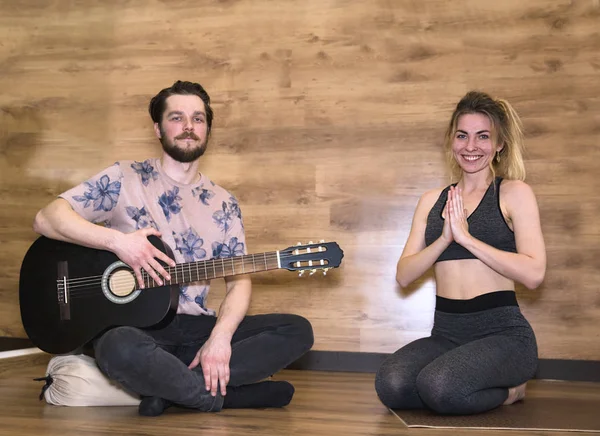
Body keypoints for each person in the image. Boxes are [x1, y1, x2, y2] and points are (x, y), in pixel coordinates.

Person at [32, 80, 314, 416]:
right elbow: (46, 218)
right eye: (177, 118)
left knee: (296, 330)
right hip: (137, 331)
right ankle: (217, 396)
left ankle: (169, 390)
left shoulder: (224, 203)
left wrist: (220, 340)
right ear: (158, 128)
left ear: (207, 129)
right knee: (117, 347)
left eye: (198, 119)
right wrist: (118, 242)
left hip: (195, 331)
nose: (188, 127)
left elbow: (239, 280)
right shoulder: (125, 178)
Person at [375, 91, 546, 415]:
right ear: (451, 140)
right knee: (391, 384)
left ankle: (510, 391)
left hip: (503, 334)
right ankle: (459, 380)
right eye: (462, 135)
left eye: (483, 137)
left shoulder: (513, 193)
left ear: (499, 144)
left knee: (440, 386)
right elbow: (404, 275)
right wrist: (443, 239)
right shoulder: (432, 199)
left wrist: (467, 239)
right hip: (447, 334)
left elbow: (535, 274)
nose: (471, 147)